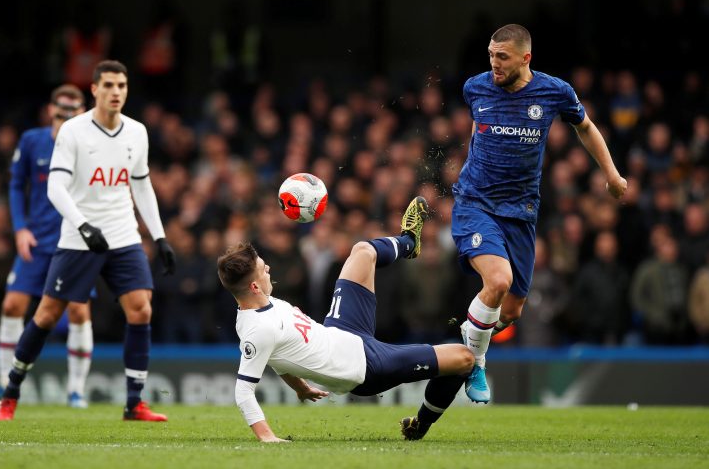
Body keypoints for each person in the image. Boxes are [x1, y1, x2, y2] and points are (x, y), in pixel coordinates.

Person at [0, 60, 176, 422]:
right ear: (94, 89)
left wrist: (159, 235)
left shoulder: (137, 131)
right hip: (79, 238)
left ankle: (134, 402)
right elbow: (56, 186)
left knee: (141, 308)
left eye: (122, 85)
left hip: (123, 233)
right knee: (47, 314)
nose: (116, 92)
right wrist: (82, 224)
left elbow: (141, 184)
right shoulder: (73, 131)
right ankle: (10, 394)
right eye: (108, 85)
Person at [453, 24, 627, 403]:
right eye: (490, 55)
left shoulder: (554, 92)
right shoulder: (475, 87)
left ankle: (472, 331)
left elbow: (586, 128)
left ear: (526, 58)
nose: (494, 64)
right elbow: (477, 127)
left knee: (512, 311)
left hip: (521, 212)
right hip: (476, 204)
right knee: (497, 281)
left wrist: (612, 176)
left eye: (503, 57)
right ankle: (475, 360)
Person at [218, 197, 475, 442]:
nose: (268, 269)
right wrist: (266, 436)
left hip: (343, 330)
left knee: (362, 251)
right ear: (254, 287)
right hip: (366, 366)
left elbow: (277, 354)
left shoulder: (266, 305)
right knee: (465, 359)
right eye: (264, 269)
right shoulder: (257, 330)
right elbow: (243, 392)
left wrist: (299, 387)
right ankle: (421, 423)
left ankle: (408, 242)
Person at [0, 85, 94, 408]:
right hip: (36, 241)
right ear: (50, 110)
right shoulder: (32, 141)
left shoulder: (91, 144)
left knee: (79, 311)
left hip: (75, 240)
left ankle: (76, 390)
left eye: (73, 110)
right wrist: (20, 229)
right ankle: (4, 383)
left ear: (82, 111)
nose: (66, 115)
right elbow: (15, 185)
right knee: (11, 306)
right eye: (61, 109)